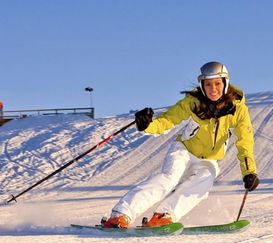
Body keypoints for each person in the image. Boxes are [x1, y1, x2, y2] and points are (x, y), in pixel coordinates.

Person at [103, 62, 259, 228]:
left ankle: (163, 216)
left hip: (209, 159)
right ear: (202, 85)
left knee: (204, 182)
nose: (213, 89)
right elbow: (168, 120)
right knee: (169, 178)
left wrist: (249, 172)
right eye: (208, 84)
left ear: (225, 83)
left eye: (217, 83)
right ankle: (121, 215)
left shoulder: (238, 109)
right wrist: (147, 125)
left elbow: (245, 142)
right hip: (184, 150)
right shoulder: (192, 102)